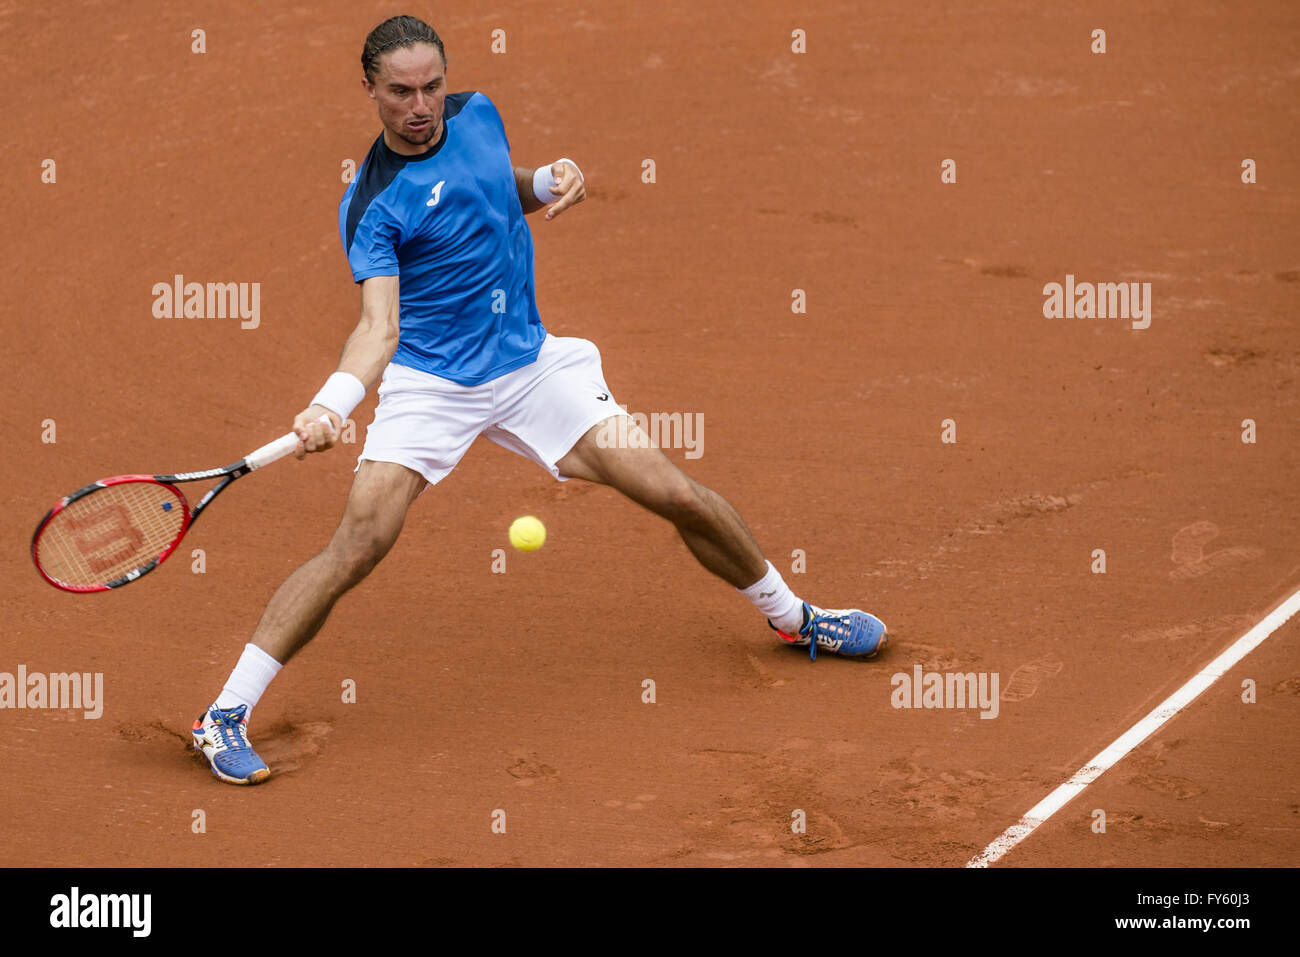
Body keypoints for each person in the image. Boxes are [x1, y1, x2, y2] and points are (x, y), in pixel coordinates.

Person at [192, 15, 887, 786]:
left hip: (531, 366)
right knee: (357, 545)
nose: (420, 105)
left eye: (431, 86)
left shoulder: (479, 113)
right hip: (433, 383)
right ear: (369, 92)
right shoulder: (373, 205)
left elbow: (496, 194)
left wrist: (548, 182)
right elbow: (378, 326)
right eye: (400, 92)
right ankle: (222, 714)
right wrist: (332, 402)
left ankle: (796, 620)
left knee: (673, 491)